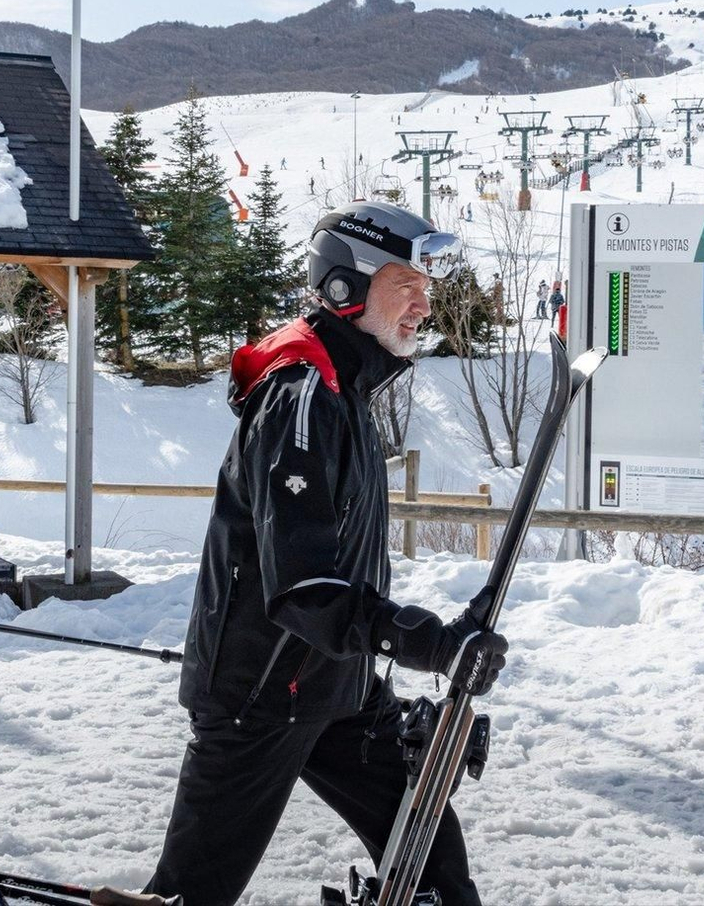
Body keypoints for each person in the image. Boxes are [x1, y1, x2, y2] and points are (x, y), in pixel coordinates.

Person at [144, 201, 508, 906]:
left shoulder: (343, 389)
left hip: (334, 687)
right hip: (262, 692)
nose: (424, 306)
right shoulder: (299, 397)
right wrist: (425, 642)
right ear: (347, 286)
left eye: (427, 290)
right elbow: (305, 587)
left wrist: (434, 639)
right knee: (190, 895)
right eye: (410, 286)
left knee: (429, 858)